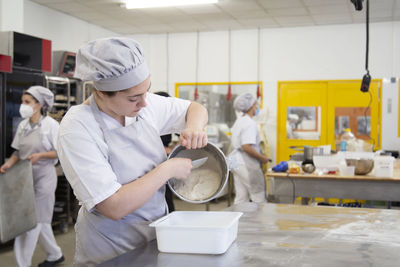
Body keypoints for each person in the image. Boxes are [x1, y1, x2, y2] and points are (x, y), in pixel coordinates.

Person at [57, 37, 208, 266]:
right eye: (133, 98)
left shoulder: (143, 106)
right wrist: (167, 169)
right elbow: (113, 205)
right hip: (110, 250)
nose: (144, 103)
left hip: (154, 238)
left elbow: (194, 108)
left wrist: (194, 126)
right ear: (101, 92)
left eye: (146, 91)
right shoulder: (78, 127)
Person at [0, 86, 64, 267]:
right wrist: (8, 164)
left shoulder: (51, 126)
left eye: (27, 102)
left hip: (44, 178)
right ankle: (55, 255)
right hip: (25, 178)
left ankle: (22, 264)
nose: (23, 105)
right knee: (41, 221)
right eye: (22, 102)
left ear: (39, 104)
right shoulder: (23, 125)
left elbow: (60, 152)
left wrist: (41, 156)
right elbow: (17, 152)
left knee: (28, 223)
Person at [229, 93, 268, 204]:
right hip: (245, 162)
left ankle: (240, 221)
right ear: (250, 106)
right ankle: (259, 221)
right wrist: (262, 158)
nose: (257, 107)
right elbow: (246, 147)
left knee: (241, 197)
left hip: (235, 161)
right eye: (256, 105)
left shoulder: (239, 121)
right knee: (258, 196)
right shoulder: (250, 123)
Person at [154, 91, 176, 212]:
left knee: (166, 192)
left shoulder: (168, 119)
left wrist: (175, 149)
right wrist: (163, 148)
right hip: (152, 161)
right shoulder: (148, 118)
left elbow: (184, 132)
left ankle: (169, 217)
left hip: (164, 160)